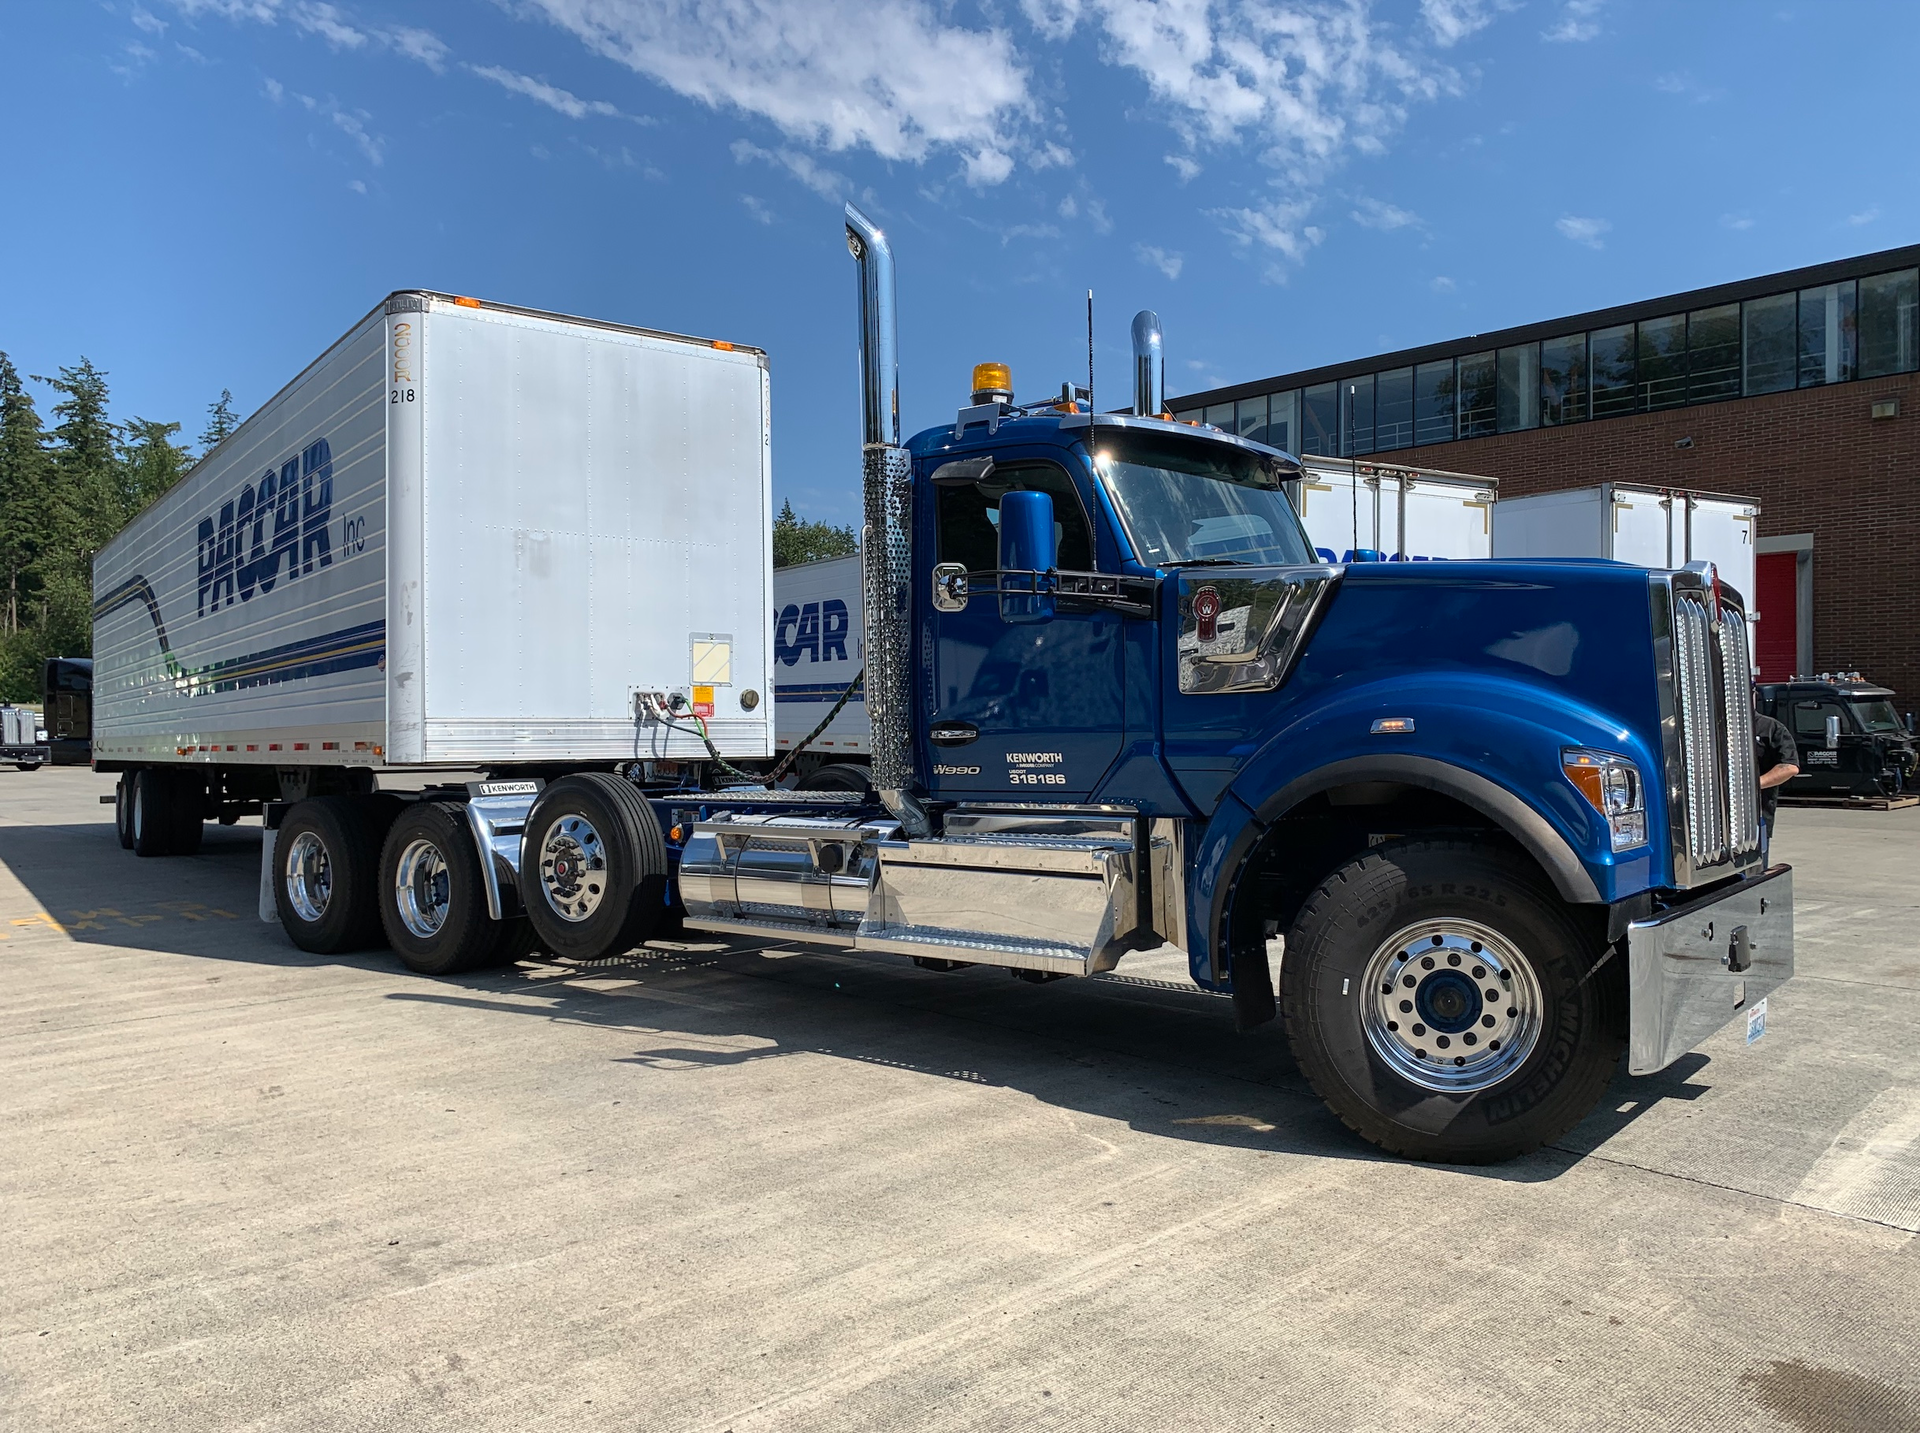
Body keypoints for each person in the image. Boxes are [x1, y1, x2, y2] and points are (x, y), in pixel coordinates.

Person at [1753, 692, 1799, 866]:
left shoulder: (1770, 728)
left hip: (1757, 817)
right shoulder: (1713, 728)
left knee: (1753, 872)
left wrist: (1753, 786)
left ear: (1753, 695)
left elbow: (1789, 767)